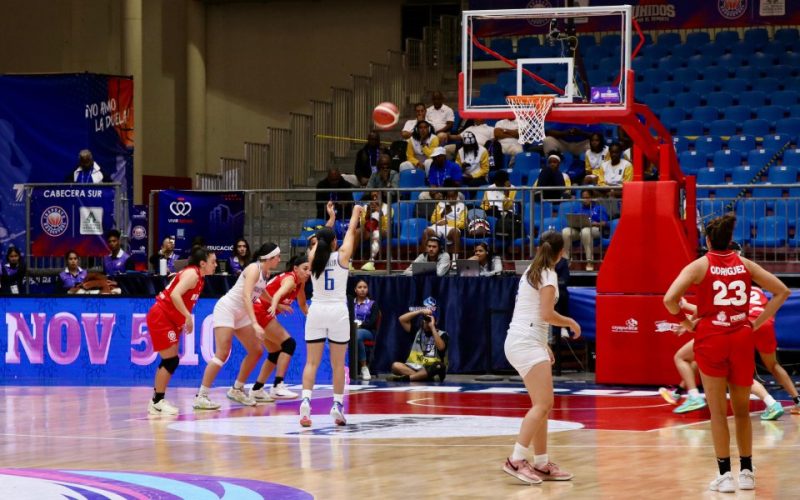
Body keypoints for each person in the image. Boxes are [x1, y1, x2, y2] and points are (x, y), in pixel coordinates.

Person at [664, 214, 790, 493]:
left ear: (707, 240)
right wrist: (755, 323)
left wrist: (686, 324)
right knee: (743, 410)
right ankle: (746, 471)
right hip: (741, 338)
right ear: (729, 241)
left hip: (712, 339)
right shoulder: (745, 264)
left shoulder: (699, 265)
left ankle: (725, 476)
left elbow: (669, 299)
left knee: (718, 412)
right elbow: (782, 291)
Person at [503, 230, 580, 484]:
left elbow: (531, 314)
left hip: (523, 340)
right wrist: (569, 321)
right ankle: (516, 459)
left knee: (543, 405)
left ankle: (541, 462)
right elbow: (547, 314)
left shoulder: (531, 271)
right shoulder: (548, 274)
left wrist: (542, 344)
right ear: (561, 252)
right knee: (543, 404)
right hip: (525, 342)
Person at [192, 242, 283, 410]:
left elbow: (260, 290)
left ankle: (237, 389)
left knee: (256, 351)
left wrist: (276, 304)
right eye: (277, 256)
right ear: (269, 258)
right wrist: (255, 323)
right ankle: (201, 396)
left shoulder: (265, 272)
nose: (279, 259)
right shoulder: (254, 269)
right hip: (228, 309)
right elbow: (246, 296)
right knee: (222, 353)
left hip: (240, 314)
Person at [299, 204, 363, 427]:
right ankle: (337, 405)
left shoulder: (312, 255)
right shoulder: (343, 256)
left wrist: (331, 219)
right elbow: (351, 231)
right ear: (335, 242)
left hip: (316, 310)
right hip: (337, 312)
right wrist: (355, 213)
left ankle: (306, 402)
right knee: (337, 365)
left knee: (311, 363)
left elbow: (322, 239)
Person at [145, 246, 217, 415]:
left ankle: (158, 400)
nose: (216, 265)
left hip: (170, 319)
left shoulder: (198, 276)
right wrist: (187, 316)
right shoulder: (192, 274)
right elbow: (175, 295)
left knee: (171, 360)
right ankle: (157, 402)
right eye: (213, 262)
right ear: (202, 263)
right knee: (170, 360)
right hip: (161, 316)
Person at [247, 254, 311, 402]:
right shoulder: (290, 280)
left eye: (309, 269)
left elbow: (302, 304)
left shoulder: (300, 283)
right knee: (289, 344)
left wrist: (311, 317)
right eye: (305, 269)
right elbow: (276, 295)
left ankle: (257, 389)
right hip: (259, 310)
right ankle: (277, 386)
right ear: (295, 268)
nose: (308, 272)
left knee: (275, 352)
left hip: (260, 310)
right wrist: (276, 306)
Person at [390, 298, 448, 382]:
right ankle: (424, 378)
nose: (427, 322)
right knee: (395, 366)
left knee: (439, 366)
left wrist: (432, 327)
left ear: (435, 322)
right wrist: (420, 311)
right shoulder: (417, 331)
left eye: (429, 320)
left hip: (432, 368)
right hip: (416, 367)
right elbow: (401, 319)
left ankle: (409, 378)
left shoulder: (442, 334)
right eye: (425, 320)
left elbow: (441, 348)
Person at [560, 189, 609, 271]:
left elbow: (604, 223)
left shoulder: (599, 208)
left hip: (594, 230)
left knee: (585, 231)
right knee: (565, 231)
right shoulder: (578, 208)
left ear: (592, 197)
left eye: (587, 197)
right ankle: (566, 260)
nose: (585, 200)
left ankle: (589, 261)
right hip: (579, 229)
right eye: (583, 198)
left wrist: (593, 223)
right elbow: (573, 220)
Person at [421, 183, 465, 258]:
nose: (450, 199)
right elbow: (432, 220)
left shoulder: (462, 206)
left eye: (453, 197)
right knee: (427, 232)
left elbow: (463, 224)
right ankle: (425, 258)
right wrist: (441, 215)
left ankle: (454, 261)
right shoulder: (441, 204)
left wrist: (448, 222)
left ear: (457, 195)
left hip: (452, 227)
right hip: (439, 226)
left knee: (455, 233)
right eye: (449, 197)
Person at [349, 279, 380, 380]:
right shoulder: (350, 303)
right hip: (349, 330)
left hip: (368, 331)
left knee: (357, 336)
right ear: (355, 290)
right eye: (360, 287)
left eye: (365, 287)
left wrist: (359, 325)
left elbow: (372, 322)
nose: (362, 290)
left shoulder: (372, 304)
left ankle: (364, 367)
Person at [359, 191, 391, 271]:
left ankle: (371, 262)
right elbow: (362, 225)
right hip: (368, 231)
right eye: (373, 196)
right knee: (356, 232)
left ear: (381, 195)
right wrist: (367, 215)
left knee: (376, 233)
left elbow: (386, 226)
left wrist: (380, 213)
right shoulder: (366, 207)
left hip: (384, 231)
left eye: (376, 195)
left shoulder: (387, 208)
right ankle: (349, 262)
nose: (374, 198)